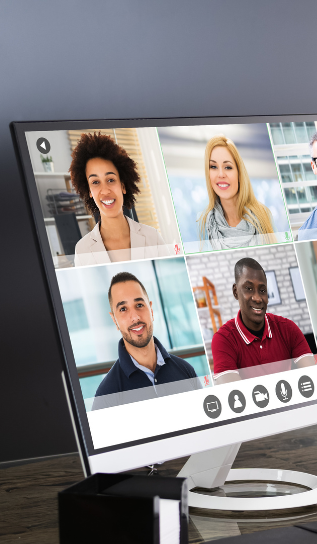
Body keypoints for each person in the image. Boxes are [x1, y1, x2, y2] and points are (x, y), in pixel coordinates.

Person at [93, 272, 199, 406]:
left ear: (151, 311)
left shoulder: (186, 370)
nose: (135, 317)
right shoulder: (107, 395)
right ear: (114, 320)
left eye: (139, 305)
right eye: (123, 309)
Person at [70, 133, 173, 265]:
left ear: (123, 186)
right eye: (95, 182)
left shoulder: (152, 237)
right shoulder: (82, 250)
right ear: (89, 191)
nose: (105, 190)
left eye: (111, 180)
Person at [211, 257, 315, 376]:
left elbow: (312, 375)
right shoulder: (224, 340)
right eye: (249, 289)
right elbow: (232, 393)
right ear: (235, 291)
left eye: (262, 290)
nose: (257, 298)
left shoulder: (288, 328)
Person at [197, 135, 279, 250]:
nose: (221, 174)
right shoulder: (204, 223)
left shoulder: (263, 215)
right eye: (213, 166)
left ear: (239, 173)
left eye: (228, 167)